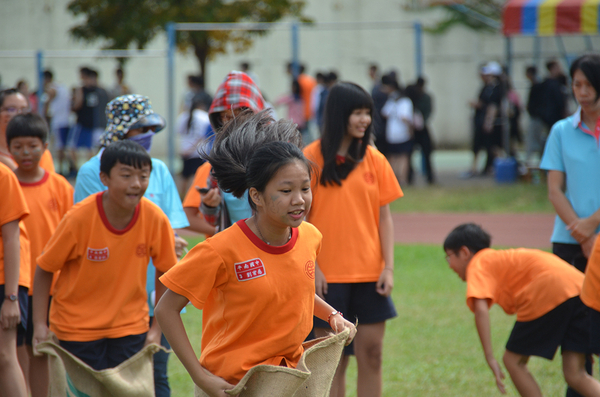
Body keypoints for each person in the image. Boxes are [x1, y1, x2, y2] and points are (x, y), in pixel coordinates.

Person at [155, 110, 356, 396]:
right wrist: (200, 377)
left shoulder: (310, 237)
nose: (299, 200)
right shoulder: (219, 249)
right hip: (232, 385)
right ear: (256, 196)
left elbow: (294, 288)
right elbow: (166, 308)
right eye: (286, 190)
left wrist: (332, 314)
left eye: (305, 188)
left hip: (289, 380)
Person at [73, 94, 189, 396]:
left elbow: (172, 225)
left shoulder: (160, 169)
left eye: (152, 129)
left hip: (157, 291)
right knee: (110, 379)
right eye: (141, 129)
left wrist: (170, 240)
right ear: (121, 130)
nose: (149, 136)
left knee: (157, 374)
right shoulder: (91, 172)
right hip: (112, 296)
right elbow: (93, 231)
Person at [32, 140, 177, 373]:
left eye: (143, 176)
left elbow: (168, 273)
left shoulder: (154, 218)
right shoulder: (79, 218)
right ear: (104, 178)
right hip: (76, 330)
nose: (136, 184)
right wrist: (39, 325)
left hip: (130, 329)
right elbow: (45, 268)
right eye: (126, 175)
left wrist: (155, 330)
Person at [303, 82, 402, 397]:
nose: (365, 120)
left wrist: (388, 267)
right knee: (332, 363)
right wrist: (313, 267)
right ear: (338, 115)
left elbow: (384, 217)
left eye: (368, 113)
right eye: (357, 113)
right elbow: (300, 222)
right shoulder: (310, 158)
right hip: (326, 279)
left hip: (370, 275)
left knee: (372, 355)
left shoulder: (375, 159)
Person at [443, 223, 600, 397]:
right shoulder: (498, 260)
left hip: (550, 290)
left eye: (449, 257)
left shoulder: (478, 262)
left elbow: (480, 310)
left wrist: (489, 357)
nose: (449, 265)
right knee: (575, 374)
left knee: (512, 361)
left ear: (465, 253)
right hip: (581, 290)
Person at [540, 54, 600, 397]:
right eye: (576, 84)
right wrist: (581, 231)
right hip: (569, 242)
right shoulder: (562, 130)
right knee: (577, 330)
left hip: (592, 236)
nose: (582, 92)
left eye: (588, 85)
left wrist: (592, 225)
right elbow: (553, 189)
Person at [6, 113, 73, 397]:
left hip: (51, 285)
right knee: (14, 349)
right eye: (18, 146)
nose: (25, 153)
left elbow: (72, 236)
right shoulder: (8, 184)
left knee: (42, 349)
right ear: (8, 148)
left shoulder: (59, 186)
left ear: (45, 146)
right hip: (17, 282)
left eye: (32, 145)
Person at [183, 70, 265, 233]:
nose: (233, 122)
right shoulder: (212, 169)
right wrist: (210, 210)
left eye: (241, 114)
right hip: (229, 254)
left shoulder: (275, 162)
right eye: (226, 117)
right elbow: (190, 216)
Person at [0, 161, 30, 397]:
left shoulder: (3, 176)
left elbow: (12, 238)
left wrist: (11, 297)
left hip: (4, 280)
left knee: (5, 356)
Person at [0, 89, 55, 173]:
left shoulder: (40, 151)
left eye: (24, 109)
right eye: (11, 109)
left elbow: (47, 183)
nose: (18, 114)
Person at [176, 93, 211, 197]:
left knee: (184, 176)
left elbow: (179, 133)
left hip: (185, 152)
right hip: (198, 153)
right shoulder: (204, 116)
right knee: (196, 177)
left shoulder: (182, 116)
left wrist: (186, 150)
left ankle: (182, 198)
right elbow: (205, 136)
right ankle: (192, 198)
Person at [382, 76, 413, 184]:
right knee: (403, 157)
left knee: (394, 157)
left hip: (393, 133)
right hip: (400, 133)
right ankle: (402, 179)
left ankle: (395, 179)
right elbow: (405, 117)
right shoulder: (404, 101)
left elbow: (384, 113)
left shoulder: (393, 100)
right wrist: (411, 128)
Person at [42, 70, 73, 175]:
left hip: (59, 122)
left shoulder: (51, 89)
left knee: (59, 146)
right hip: (65, 120)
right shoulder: (62, 87)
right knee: (64, 145)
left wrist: (45, 112)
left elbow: (47, 105)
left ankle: (61, 169)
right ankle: (68, 166)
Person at [524, 66, 546, 163]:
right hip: (535, 116)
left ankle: (531, 160)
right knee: (534, 138)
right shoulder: (535, 85)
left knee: (534, 138)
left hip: (537, 117)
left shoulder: (538, 85)